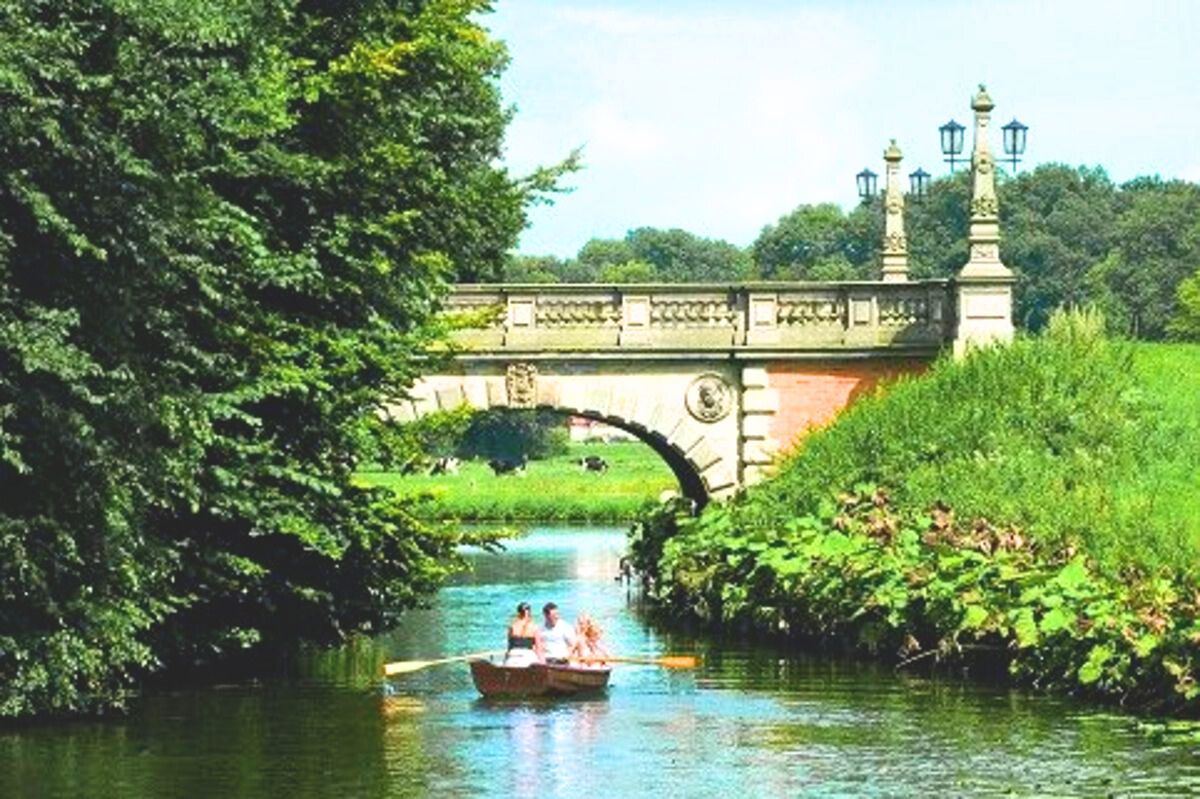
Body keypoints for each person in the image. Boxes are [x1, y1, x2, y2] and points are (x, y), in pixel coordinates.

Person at [504, 601, 542, 667]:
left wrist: (504, 661)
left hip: (512, 657)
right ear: (529, 613)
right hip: (527, 657)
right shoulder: (534, 627)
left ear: (518, 613)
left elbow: (509, 647)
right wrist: (543, 663)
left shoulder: (512, 626)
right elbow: (539, 649)